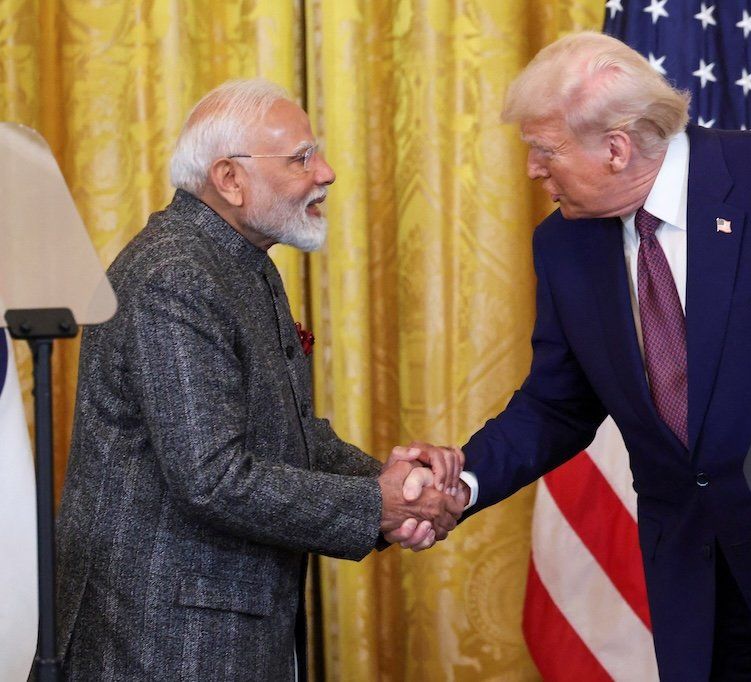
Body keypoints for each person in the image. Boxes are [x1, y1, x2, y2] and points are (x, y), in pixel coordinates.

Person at [411, 32, 751, 681]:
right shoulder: (564, 245)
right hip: (696, 586)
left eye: (543, 150)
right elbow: (556, 403)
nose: (533, 169)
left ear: (615, 147)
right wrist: (460, 483)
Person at [56, 79, 464, 681]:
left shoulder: (237, 262)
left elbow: (292, 435)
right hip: (165, 643)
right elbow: (211, 476)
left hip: (214, 630)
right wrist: (376, 505)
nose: (325, 173)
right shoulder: (176, 274)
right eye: (301, 158)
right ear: (229, 179)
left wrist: (391, 482)